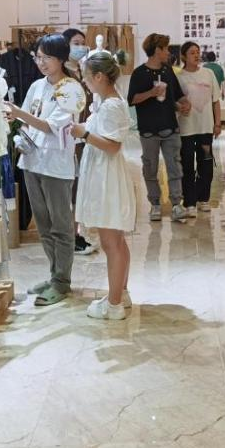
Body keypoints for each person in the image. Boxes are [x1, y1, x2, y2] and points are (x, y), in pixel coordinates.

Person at [7, 34, 86, 306]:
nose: (41, 63)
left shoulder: (71, 88)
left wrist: (19, 114)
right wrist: (21, 133)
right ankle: (54, 275)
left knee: (61, 226)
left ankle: (62, 281)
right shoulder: (37, 86)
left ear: (61, 59)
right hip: (32, 161)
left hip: (56, 166)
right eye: (38, 57)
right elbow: (27, 119)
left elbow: (51, 127)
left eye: (47, 58)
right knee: (43, 224)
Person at [70, 50, 136, 320]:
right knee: (116, 241)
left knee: (111, 243)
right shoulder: (105, 101)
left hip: (106, 175)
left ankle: (114, 304)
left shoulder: (111, 105)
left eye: (86, 77)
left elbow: (112, 145)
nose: (85, 83)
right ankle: (120, 293)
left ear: (99, 77)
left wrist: (84, 134)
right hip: (103, 172)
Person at [127, 33, 191, 223]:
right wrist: (151, 93)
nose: (168, 52)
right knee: (150, 167)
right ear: (157, 50)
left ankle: (177, 204)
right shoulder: (139, 73)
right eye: (166, 49)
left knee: (174, 166)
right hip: (149, 130)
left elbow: (176, 95)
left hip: (170, 127)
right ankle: (155, 203)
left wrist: (184, 104)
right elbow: (132, 99)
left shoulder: (168, 71)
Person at [61, 27, 97, 257]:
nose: (81, 47)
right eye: (76, 43)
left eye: (83, 43)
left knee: (79, 188)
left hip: (83, 137)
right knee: (70, 188)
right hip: (69, 139)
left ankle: (76, 232)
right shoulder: (64, 75)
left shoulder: (81, 71)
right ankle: (70, 235)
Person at [177, 42, 221, 214]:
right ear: (184, 56)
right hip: (186, 129)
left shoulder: (208, 74)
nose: (196, 55)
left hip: (205, 129)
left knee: (206, 163)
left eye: (198, 52)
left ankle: (204, 198)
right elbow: (175, 102)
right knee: (187, 165)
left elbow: (215, 101)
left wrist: (217, 123)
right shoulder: (179, 77)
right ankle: (189, 202)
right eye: (192, 53)